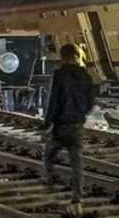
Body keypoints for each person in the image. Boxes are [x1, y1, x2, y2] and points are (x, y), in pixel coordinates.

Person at [42, 44, 97, 217]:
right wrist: (82, 113)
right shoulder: (85, 75)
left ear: (62, 56)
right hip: (77, 125)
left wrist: (47, 123)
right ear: (76, 56)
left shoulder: (60, 75)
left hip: (61, 126)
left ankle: (50, 183)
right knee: (77, 163)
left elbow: (54, 101)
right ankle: (77, 200)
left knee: (49, 153)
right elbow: (90, 100)